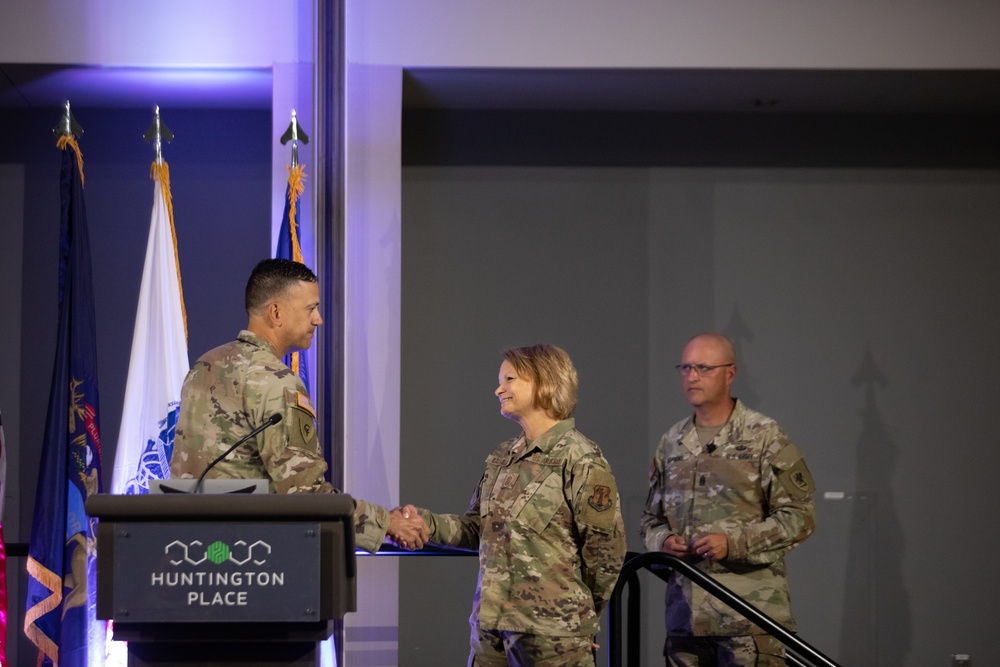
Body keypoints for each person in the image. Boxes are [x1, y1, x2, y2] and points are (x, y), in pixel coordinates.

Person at [170, 258, 427, 552]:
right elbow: (304, 494)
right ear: (276, 312)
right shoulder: (278, 381)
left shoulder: (204, 365)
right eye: (310, 308)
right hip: (249, 557)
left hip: (188, 555)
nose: (318, 319)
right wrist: (387, 524)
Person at [411, 344, 627, 666]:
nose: (499, 389)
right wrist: (424, 524)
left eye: (509, 379)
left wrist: (578, 619)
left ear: (544, 382)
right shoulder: (503, 456)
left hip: (552, 638)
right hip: (490, 632)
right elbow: (476, 528)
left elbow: (605, 553)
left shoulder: (581, 458)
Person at [640, 332, 816, 666]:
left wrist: (733, 542)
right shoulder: (672, 441)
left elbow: (799, 516)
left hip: (749, 618)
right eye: (686, 367)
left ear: (730, 374)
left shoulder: (765, 436)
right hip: (686, 622)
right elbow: (651, 519)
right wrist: (662, 541)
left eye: (703, 368)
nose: (692, 376)